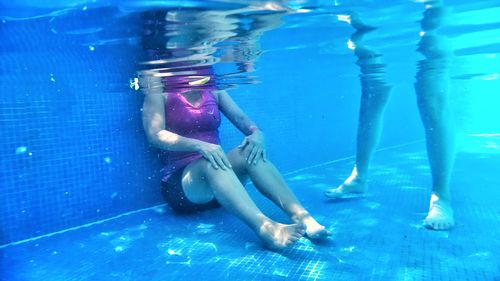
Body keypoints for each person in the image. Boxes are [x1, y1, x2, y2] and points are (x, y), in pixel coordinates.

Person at [140, 6, 329, 250]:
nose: (204, 48)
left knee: (250, 151)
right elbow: (154, 135)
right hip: (183, 188)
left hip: (220, 186)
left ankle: (303, 217)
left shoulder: (209, 78)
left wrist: (257, 134)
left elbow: (241, 119)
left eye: (206, 43)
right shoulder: (157, 79)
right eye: (196, 41)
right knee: (213, 161)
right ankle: (265, 228)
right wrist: (199, 145)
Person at [325, 0, 455, 231]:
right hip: (372, 13)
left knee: (432, 98)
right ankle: (358, 178)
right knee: (371, 93)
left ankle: (441, 196)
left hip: (422, 13)